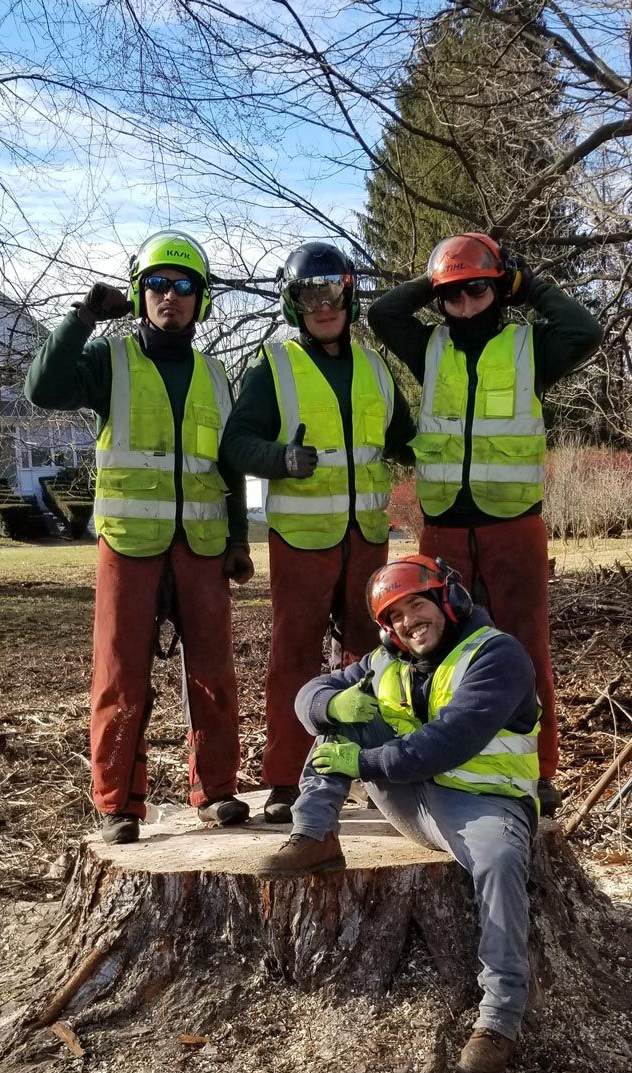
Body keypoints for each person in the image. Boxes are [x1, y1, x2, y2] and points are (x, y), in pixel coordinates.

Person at [257, 555, 540, 1073]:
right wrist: (331, 709)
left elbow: (448, 741)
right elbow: (308, 693)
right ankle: (314, 832)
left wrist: (363, 764)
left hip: (484, 803)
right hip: (410, 798)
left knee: (501, 863)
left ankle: (499, 1019)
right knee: (346, 710)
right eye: (395, 616)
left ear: (448, 600)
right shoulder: (386, 658)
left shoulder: (497, 656)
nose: (409, 621)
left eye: (417, 604)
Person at [25, 229, 253, 845]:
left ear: (200, 300)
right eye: (156, 285)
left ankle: (216, 790)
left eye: (183, 287)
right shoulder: (110, 360)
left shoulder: (216, 373)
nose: (169, 297)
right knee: (121, 672)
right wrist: (82, 320)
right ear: (138, 293)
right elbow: (41, 389)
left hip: (202, 546)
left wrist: (239, 540)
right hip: (129, 544)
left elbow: (228, 462)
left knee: (213, 672)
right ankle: (118, 803)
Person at [367, 233, 603, 815]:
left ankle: (537, 770)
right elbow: (382, 311)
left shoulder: (531, 348)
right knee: (434, 649)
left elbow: (586, 332)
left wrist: (528, 283)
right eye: (453, 295)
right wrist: (439, 273)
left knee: (525, 648)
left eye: (478, 289)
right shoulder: (429, 347)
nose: (465, 303)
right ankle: (438, 762)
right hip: (443, 527)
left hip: (514, 526)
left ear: (499, 290)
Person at [221, 241, 415, 824]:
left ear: (350, 297)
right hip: (302, 538)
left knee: (378, 654)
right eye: (310, 296)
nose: (324, 306)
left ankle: (375, 772)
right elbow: (234, 443)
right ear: (292, 304)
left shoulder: (375, 367)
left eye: (333, 293)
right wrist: (282, 458)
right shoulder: (273, 366)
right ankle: (285, 780)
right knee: (294, 656)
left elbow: (404, 434)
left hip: (366, 537)